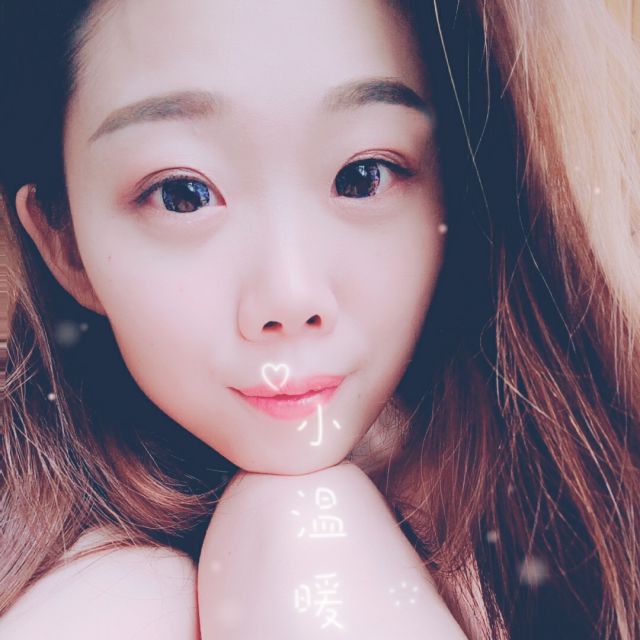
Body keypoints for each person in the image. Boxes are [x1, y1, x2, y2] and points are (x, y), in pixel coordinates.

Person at [1, 0, 639, 638]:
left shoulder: (591, 495)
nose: (290, 296)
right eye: (182, 195)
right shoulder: (101, 601)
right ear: (66, 243)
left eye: (363, 177)